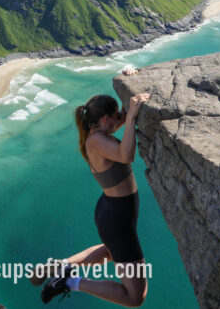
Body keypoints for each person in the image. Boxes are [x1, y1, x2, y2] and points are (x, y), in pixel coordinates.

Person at [37, 90, 151, 305]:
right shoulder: (97, 141)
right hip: (118, 219)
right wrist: (133, 116)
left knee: (110, 250)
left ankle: (62, 265)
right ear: (104, 119)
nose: (120, 119)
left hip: (112, 212)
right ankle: (71, 281)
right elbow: (127, 155)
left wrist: (131, 78)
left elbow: (119, 124)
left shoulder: (97, 134)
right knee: (135, 297)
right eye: (116, 116)